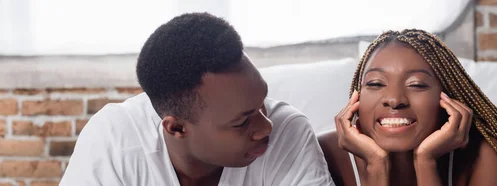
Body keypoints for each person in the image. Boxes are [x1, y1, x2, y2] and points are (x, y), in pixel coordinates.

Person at [60, 12, 334, 186]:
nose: (266, 127)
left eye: (262, 103)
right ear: (176, 128)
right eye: (241, 122)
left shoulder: (288, 130)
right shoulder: (114, 140)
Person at [318, 29, 497, 186]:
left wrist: (426, 163)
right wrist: (376, 165)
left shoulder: (483, 155)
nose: (394, 99)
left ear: (448, 97)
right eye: (375, 83)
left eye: (416, 84)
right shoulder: (322, 154)